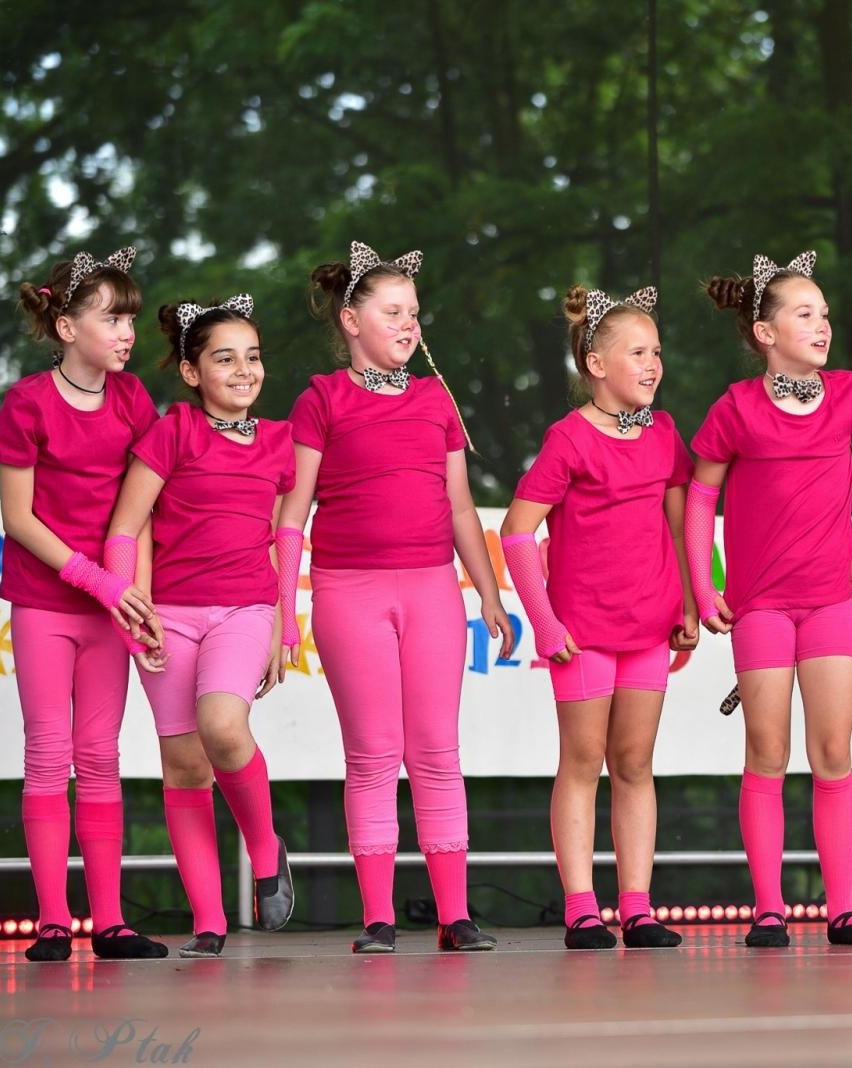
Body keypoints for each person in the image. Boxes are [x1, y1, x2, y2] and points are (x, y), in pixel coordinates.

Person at [279, 241, 513, 953]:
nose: (409, 324)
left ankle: (455, 916)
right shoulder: (322, 398)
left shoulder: (435, 398)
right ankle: (377, 917)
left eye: (414, 312)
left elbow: (461, 507)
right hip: (351, 590)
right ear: (351, 320)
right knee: (374, 754)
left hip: (433, 588)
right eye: (392, 312)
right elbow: (293, 511)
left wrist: (491, 594)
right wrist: (284, 611)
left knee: (438, 750)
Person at [686, 250, 852, 947]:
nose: (823, 325)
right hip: (762, 607)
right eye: (806, 314)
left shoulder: (850, 393)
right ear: (766, 333)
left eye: (826, 314)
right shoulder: (736, 407)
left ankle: (844, 910)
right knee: (766, 751)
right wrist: (702, 581)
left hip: (829, 601)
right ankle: (769, 909)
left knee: (833, 752)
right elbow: (700, 496)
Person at [501, 285, 696, 950]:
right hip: (582, 633)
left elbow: (682, 521)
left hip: (649, 625)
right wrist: (546, 625)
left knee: (636, 763)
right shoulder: (568, 439)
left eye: (657, 352)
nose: (652, 365)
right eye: (637, 352)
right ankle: (582, 907)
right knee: (583, 761)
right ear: (596, 364)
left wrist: (692, 603)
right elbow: (517, 534)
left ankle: (637, 907)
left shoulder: (665, 432)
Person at [105, 294, 295, 957]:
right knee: (185, 767)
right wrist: (135, 615)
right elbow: (127, 529)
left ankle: (266, 845)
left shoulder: (280, 442)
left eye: (252, 357)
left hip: (245, 609)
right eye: (224, 358)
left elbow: (279, 539)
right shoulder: (172, 432)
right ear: (192, 373)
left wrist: (281, 624)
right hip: (169, 619)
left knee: (222, 725)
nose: (243, 370)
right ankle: (209, 922)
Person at [0, 247, 167, 960]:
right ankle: (52, 922)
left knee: (100, 755)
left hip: (111, 611)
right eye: (111, 318)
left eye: (130, 318)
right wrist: (98, 581)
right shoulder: (27, 404)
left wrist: (141, 602)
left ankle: (110, 922)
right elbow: (20, 518)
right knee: (48, 755)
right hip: (46, 603)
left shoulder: (133, 402)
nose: (127, 331)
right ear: (67, 326)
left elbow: (146, 510)